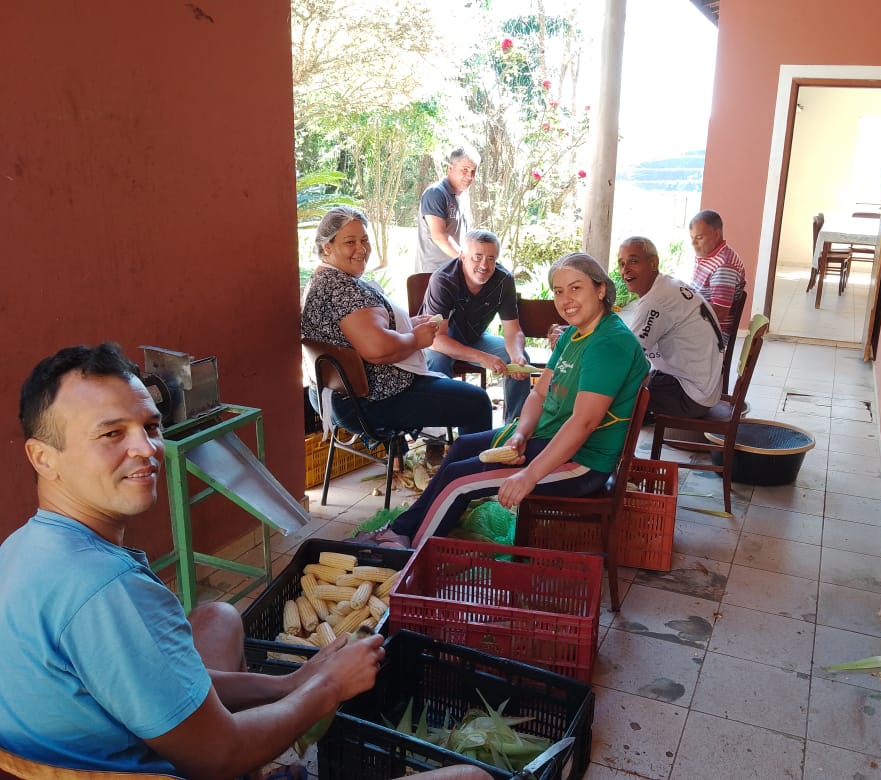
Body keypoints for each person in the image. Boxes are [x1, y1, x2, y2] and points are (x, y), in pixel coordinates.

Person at [0, 343, 491, 780]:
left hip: (78, 750)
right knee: (471, 777)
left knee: (218, 616)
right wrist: (326, 690)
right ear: (43, 458)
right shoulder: (108, 590)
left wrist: (294, 680)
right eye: (111, 434)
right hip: (177, 764)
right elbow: (217, 756)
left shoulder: (24, 549)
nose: (146, 449)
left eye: (150, 427)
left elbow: (168, 682)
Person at [354, 252, 650, 549]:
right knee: (461, 448)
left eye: (576, 288)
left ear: (600, 290)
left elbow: (583, 423)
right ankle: (402, 530)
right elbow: (538, 393)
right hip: (548, 437)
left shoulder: (608, 343)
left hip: (583, 463)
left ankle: (411, 553)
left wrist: (528, 476)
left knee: (459, 482)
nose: (565, 299)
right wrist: (520, 434)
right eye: (559, 291)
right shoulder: (573, 333)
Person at [302, 206, 492, 440]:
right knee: (477, 402)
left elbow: (361, 331)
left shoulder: (323, 280)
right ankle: (473, 475)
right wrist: (415, 339)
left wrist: (406, 325)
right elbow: (377, 351)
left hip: (339, 396)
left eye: (364, 240)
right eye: (350, 242)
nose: (361, 249)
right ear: (326, 247)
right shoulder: (340, 288)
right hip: (370, 403)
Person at [422, 229, 532, 423]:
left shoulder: (503, 280)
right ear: (462, 256)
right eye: (477, 257)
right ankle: (437, 433)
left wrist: (517, 355)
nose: (484, 265)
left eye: (491, 258)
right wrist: (482, 358)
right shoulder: (443, 280)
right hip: (439, 342)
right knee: (437, 362)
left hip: (475, 338)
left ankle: (515, 429)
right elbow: (436, 339)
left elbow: (513, 330)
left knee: (518, 359)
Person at [617, 236, 725, 419]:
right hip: (705, 389)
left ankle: (614, 443)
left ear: (653, 263)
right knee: (630, 378)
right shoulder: (665, 285)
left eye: (633, 261)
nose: (625, 270)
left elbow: (628, 355)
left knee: (612, 390)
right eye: (621, 264)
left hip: (690, 396)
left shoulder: (655, 301)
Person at [415, 147, 480, 273]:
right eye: (465, 170)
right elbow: (440, 236)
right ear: (450, 168)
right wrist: (467, 261)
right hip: (433, 275)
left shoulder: (464, 196)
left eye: (473, 171)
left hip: (455, 272)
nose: (470, 176)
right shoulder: (435, 193)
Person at [688, 209, 747, 339]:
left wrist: (684, 313)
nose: (693, 243)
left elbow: (719, 312)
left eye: (699, 238)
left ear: (716, 234)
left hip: (711, 334)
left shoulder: (724, 265)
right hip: (699, 324)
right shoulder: (707, 255)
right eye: (692, 238)